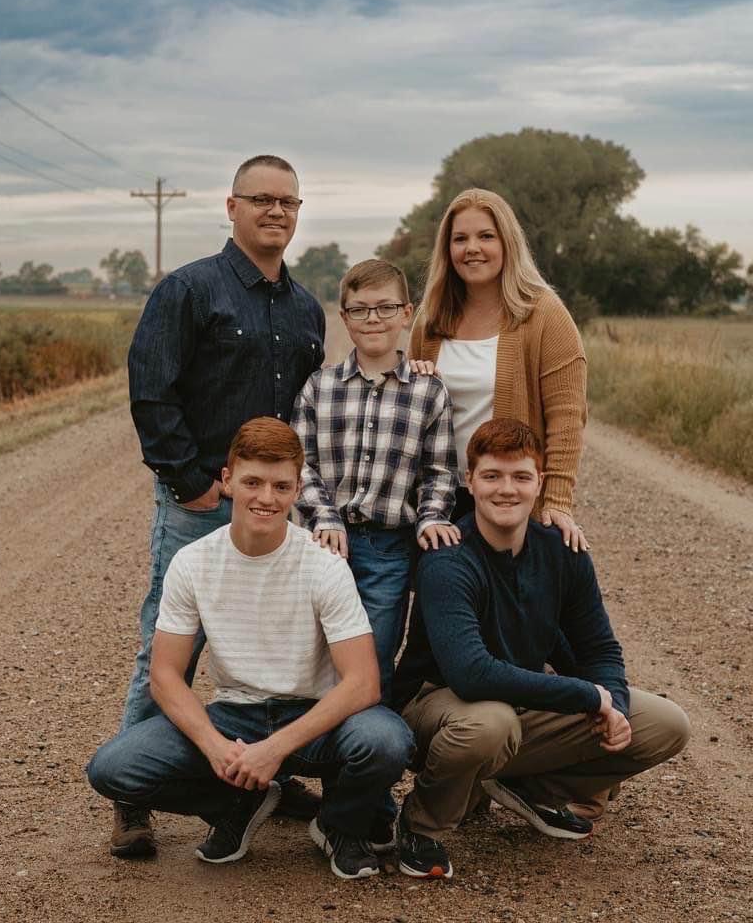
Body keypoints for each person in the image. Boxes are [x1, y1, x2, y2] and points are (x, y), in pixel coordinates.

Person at [87, 418, 414, 880]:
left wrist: (275, 749)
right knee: (112, 768)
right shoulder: (193, 562)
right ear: (227, 480)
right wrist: (215, 747)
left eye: (281, 486)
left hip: (316, 718)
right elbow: (163, 674)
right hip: (236, 715)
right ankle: (236, 803)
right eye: (252, 482)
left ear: (298, 489)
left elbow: (362, 684)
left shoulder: (323, 565)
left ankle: (339, 824)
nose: (266, 498)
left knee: (386, 740)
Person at [117, 155, 325, 856]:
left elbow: (309, 413)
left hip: (273, 513)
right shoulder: (188, 290)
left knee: (282, 644)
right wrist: (195, 483)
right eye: (261, 199)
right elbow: (152, 391)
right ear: (232, 206)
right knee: (167, 648)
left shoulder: (305, 309)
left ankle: (279, 770)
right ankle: (132, 797)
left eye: (288, 202)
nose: (276, 212)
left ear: (298, 212)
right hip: (198, 504)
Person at [392, 418, 690, 879]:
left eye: (520, 477)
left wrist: (613, 704)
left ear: (540, 484)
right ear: (469, 481)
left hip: (519, 704)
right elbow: (471, 673)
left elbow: (600, 648)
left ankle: (530, 787)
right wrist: (587, 696)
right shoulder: (448, 558)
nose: (506, 490)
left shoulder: (562, 551)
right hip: (438, 703)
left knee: (666, 724)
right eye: (491, 476)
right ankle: (420, 825)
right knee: (489, 724)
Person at [291, 258, 460, 702]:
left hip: (388, 549)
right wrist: (324, 518)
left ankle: (362, 760)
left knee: (372, 658)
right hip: (323, 544)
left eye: (385, 308)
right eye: (361, 309)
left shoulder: (428, 391)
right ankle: (302, 749)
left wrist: (430, 518)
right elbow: (299, 464)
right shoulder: (319, 387)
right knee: (311, 655)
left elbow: (439, 470)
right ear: (344, 318)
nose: (373, 319)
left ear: (407, 314)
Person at [408, 188, 588, 552]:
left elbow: (566, 417)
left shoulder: (543, 314)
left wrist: (555, 501)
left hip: (508, 498)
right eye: (460, 238)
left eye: (486, 236)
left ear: (508, 242)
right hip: (439, 502)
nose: (472, 248)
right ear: (447, 250)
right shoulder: (430, 320)